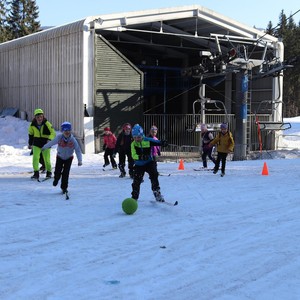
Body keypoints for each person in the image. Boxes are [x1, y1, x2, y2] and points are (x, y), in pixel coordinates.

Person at [42, 122, 82, 194]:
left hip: (69, 158)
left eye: (68, 130)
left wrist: (80, 160)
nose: (67, 132)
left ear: (70, 131)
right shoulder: (59, 137)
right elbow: (52, 142)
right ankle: (56, 179)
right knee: (57, 171)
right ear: (62, 131)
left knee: (65, 173)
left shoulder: (73, 140)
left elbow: (78, 150)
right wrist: (45, 147)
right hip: (60, 157)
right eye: (65, 130)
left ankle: (64, 187)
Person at [130, 124, 168, 202]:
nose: (137, 139)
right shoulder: (133, 144)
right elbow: (133, 155)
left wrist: (162, 143)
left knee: (154, 175)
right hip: (139, 164)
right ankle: (134, 196)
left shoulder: (147, 140)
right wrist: (140, 157)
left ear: (142, 135)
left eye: (139, 137)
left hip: (149, 162)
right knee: (137, 180)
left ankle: (157, 192)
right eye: (135, 137)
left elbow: (157, 142)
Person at [28, 108, 56, 180]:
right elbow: (30, 134)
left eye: (41, 116)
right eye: (38, 117)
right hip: (36, 143)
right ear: (35, 117)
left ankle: (49, 172)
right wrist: (30, 144)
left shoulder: (47, 123)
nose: (39, 118)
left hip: (46, 143)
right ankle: (36, 173)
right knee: (35, 158)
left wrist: (49, 139)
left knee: (46, 159)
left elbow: (53, 133)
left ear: (43, 116)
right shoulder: (32, 125)